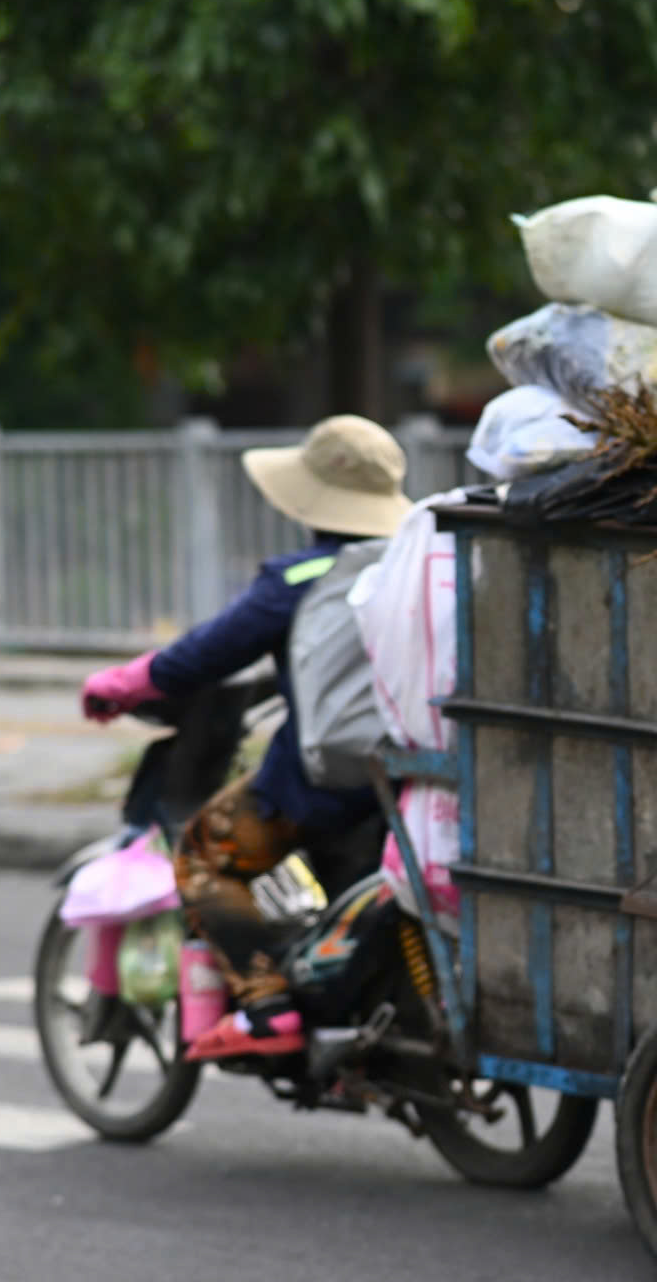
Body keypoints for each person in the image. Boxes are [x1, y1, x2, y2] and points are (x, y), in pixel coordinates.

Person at [80, 415, 412, 1060]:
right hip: (414, 777)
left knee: (206, 853)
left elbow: (199, 657)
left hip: (324, 785)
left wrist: (120, 684)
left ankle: (266, 1007)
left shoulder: (298, 579)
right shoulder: (420, 565)